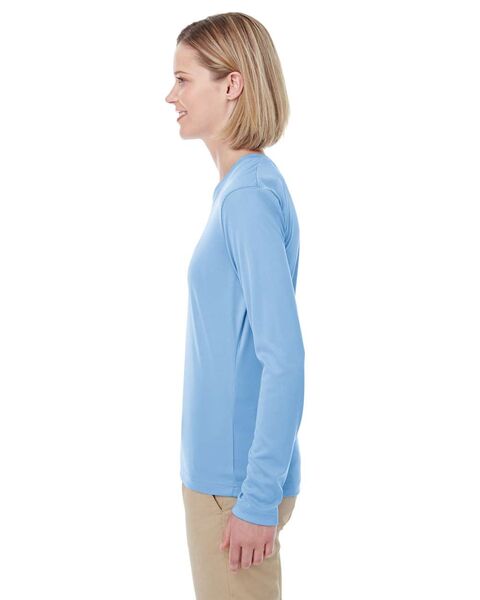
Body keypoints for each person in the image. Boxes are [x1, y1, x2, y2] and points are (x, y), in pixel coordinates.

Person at [165, 12, 305, 600]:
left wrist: (256, 498)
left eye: (183, 79)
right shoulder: (240, 190)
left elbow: (284, 358)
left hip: (234, 489)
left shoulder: (247, 196)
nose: (171, 96)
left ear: (232, 84)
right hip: (226, 482)